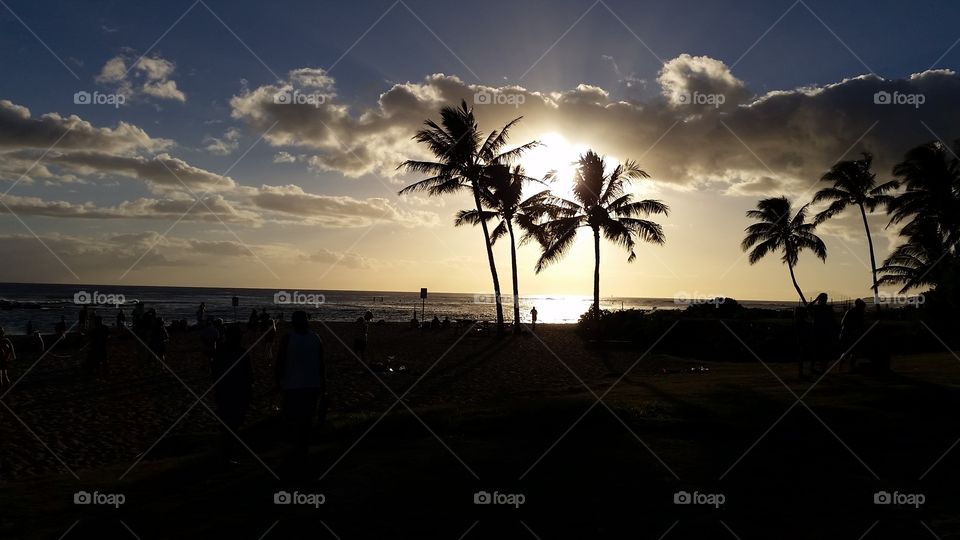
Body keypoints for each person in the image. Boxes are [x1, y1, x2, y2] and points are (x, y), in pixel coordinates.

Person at [275, 310, 325, 466]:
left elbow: (280, 362)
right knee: (306, 420)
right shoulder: (316, 338)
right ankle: (302, 451)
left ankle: (296, 453)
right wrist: (323, 385)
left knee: (293, 420)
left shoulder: (288, 338)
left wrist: (278, 382)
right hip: (311, 385)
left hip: (294, 386)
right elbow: (321, 364)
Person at [212, 325, 252, 463]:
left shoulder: (220, 351)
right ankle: (226, 455)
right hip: (236, 393)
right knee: (233, 425)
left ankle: (224, 454)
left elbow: (214, 372)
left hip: (224, 392)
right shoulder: (241, 352)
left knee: (227, 424)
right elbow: (249, 376)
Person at [810, 293, 837, 374]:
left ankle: (817, 368)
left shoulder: (817, 308)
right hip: (823, 332)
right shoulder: (827, 308)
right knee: (823, 351)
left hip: (819, 331)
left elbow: (808, 307)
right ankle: (822, 368)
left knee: (819, 351)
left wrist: (815, 300)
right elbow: (833, 320)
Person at [839, 299, 867, 372]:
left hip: (847, 333)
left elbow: (843, 322)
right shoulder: (856, 313)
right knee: (852, 351)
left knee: (850, 351)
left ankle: (846, 366)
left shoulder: (850, 312)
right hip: (849, 334)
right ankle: (849, 366)